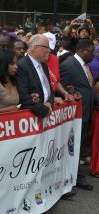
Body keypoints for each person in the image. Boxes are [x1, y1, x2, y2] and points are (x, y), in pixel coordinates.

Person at [60, 39, 95, 191]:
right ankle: (77, 177)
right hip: (75, 114)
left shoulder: (85, 66)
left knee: (79, 145)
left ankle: (75, 175)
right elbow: (63, 89)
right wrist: (72, 92)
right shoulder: (68, 65)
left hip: (87, 111)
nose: (93, 54)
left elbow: (89, 89)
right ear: (81, 50)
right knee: (75, 146)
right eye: (90, 51)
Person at [16, 34, 54, 118]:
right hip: (31, 118)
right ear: (35, 47)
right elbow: (24, 96)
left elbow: (49, 89)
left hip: (46, 113)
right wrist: (44, 110)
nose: (49, 51)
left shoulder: (44, 65)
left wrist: (49, 102)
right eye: (47, 47)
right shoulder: (22, 65)